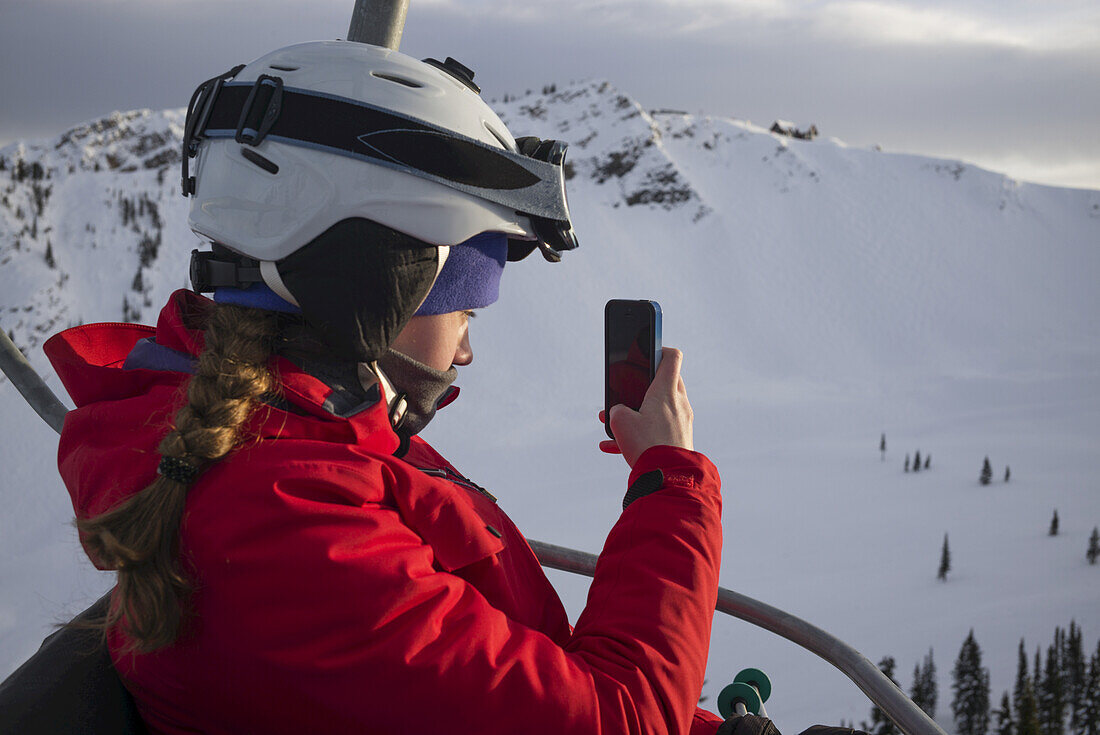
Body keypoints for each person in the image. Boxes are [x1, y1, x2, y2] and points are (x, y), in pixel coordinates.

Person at [38, 40, 818, 735]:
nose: (468, 351)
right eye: (465, 310)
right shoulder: (291, 527)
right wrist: (671, 483)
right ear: (380, 284)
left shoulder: (299, 443)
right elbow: (615, 718)